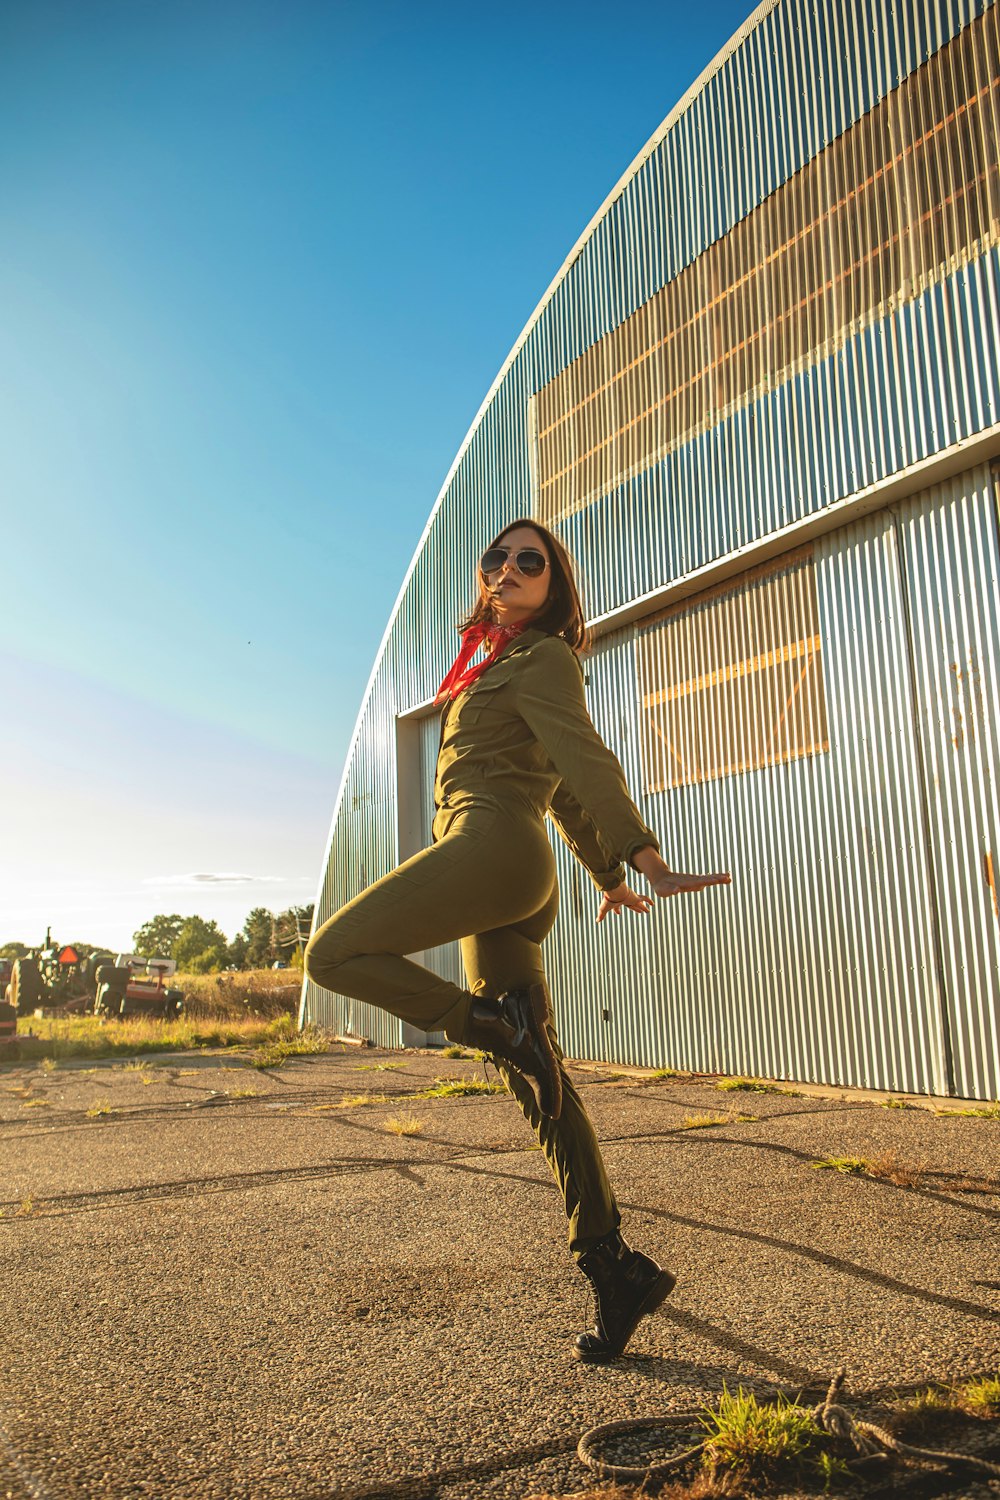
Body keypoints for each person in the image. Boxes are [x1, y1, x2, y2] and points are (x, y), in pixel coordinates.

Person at [305, 519, 731, 1361]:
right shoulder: (486, 664)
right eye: (495, 555)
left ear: (554, 584)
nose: (508, 567)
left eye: (529, 561)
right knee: (541, 1079)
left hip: (492, 851)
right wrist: (607, 878)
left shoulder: (543, 657)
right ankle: (613, 1265)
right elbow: (564, 790)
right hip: (506, 873)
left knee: (331, 955)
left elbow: (586, 759)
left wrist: (644, 856)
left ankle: (485, 1023)